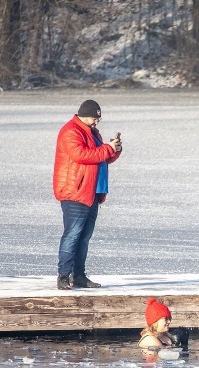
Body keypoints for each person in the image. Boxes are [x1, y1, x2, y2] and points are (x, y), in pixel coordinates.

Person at [53, 100, 122, 290]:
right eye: (94, 118)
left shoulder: (92, 132)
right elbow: (81, 155)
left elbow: (100, 158)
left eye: (98, 119)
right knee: (72, 235)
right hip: (75, 191)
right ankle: (64, 276)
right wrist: (107, 148)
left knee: (84, 236)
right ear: (84, 115)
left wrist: (114, 150)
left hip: (92, 191)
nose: (96, 122)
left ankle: (80, 276)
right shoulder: (71, 131)